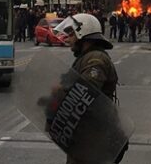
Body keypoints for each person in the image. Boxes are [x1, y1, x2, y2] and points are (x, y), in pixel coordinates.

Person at [55, 13, 128, 164]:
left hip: (96, 136)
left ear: (83, 35)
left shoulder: (96, 59)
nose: (67, 39)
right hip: (86, 135)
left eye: (71, 33)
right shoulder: (85, 57)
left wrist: (61, 94)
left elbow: (86, 90)